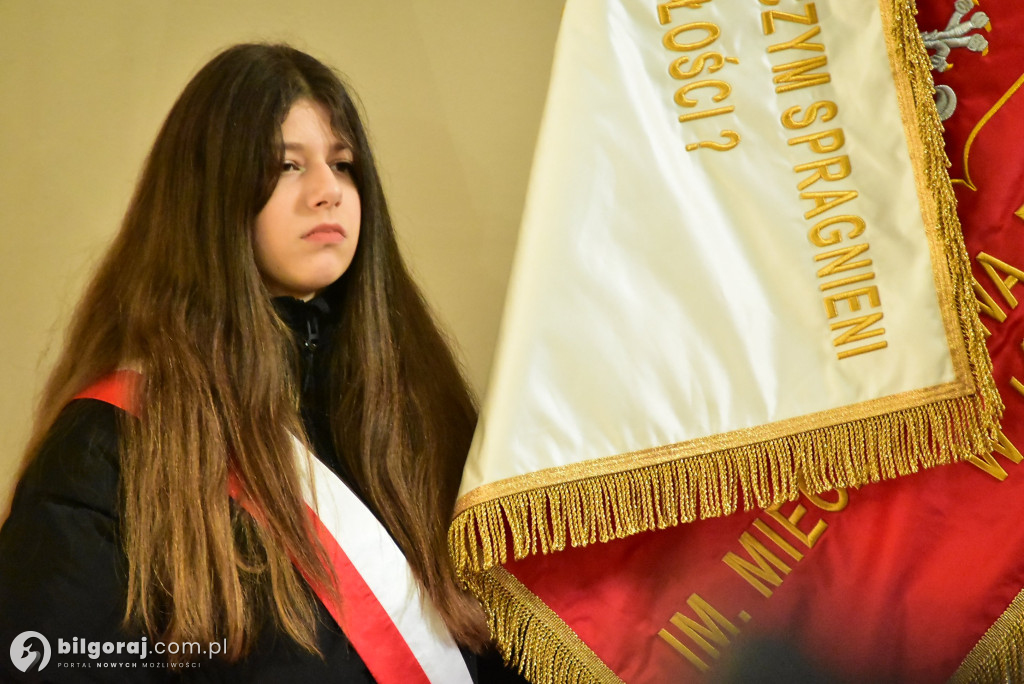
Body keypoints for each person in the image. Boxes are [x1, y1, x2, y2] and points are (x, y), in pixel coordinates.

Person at [0, 43, 522, 683]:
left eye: (343, 164)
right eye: (284, 166)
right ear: (207, 198)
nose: (328, 192)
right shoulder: (107, 452)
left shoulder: (423, 415)